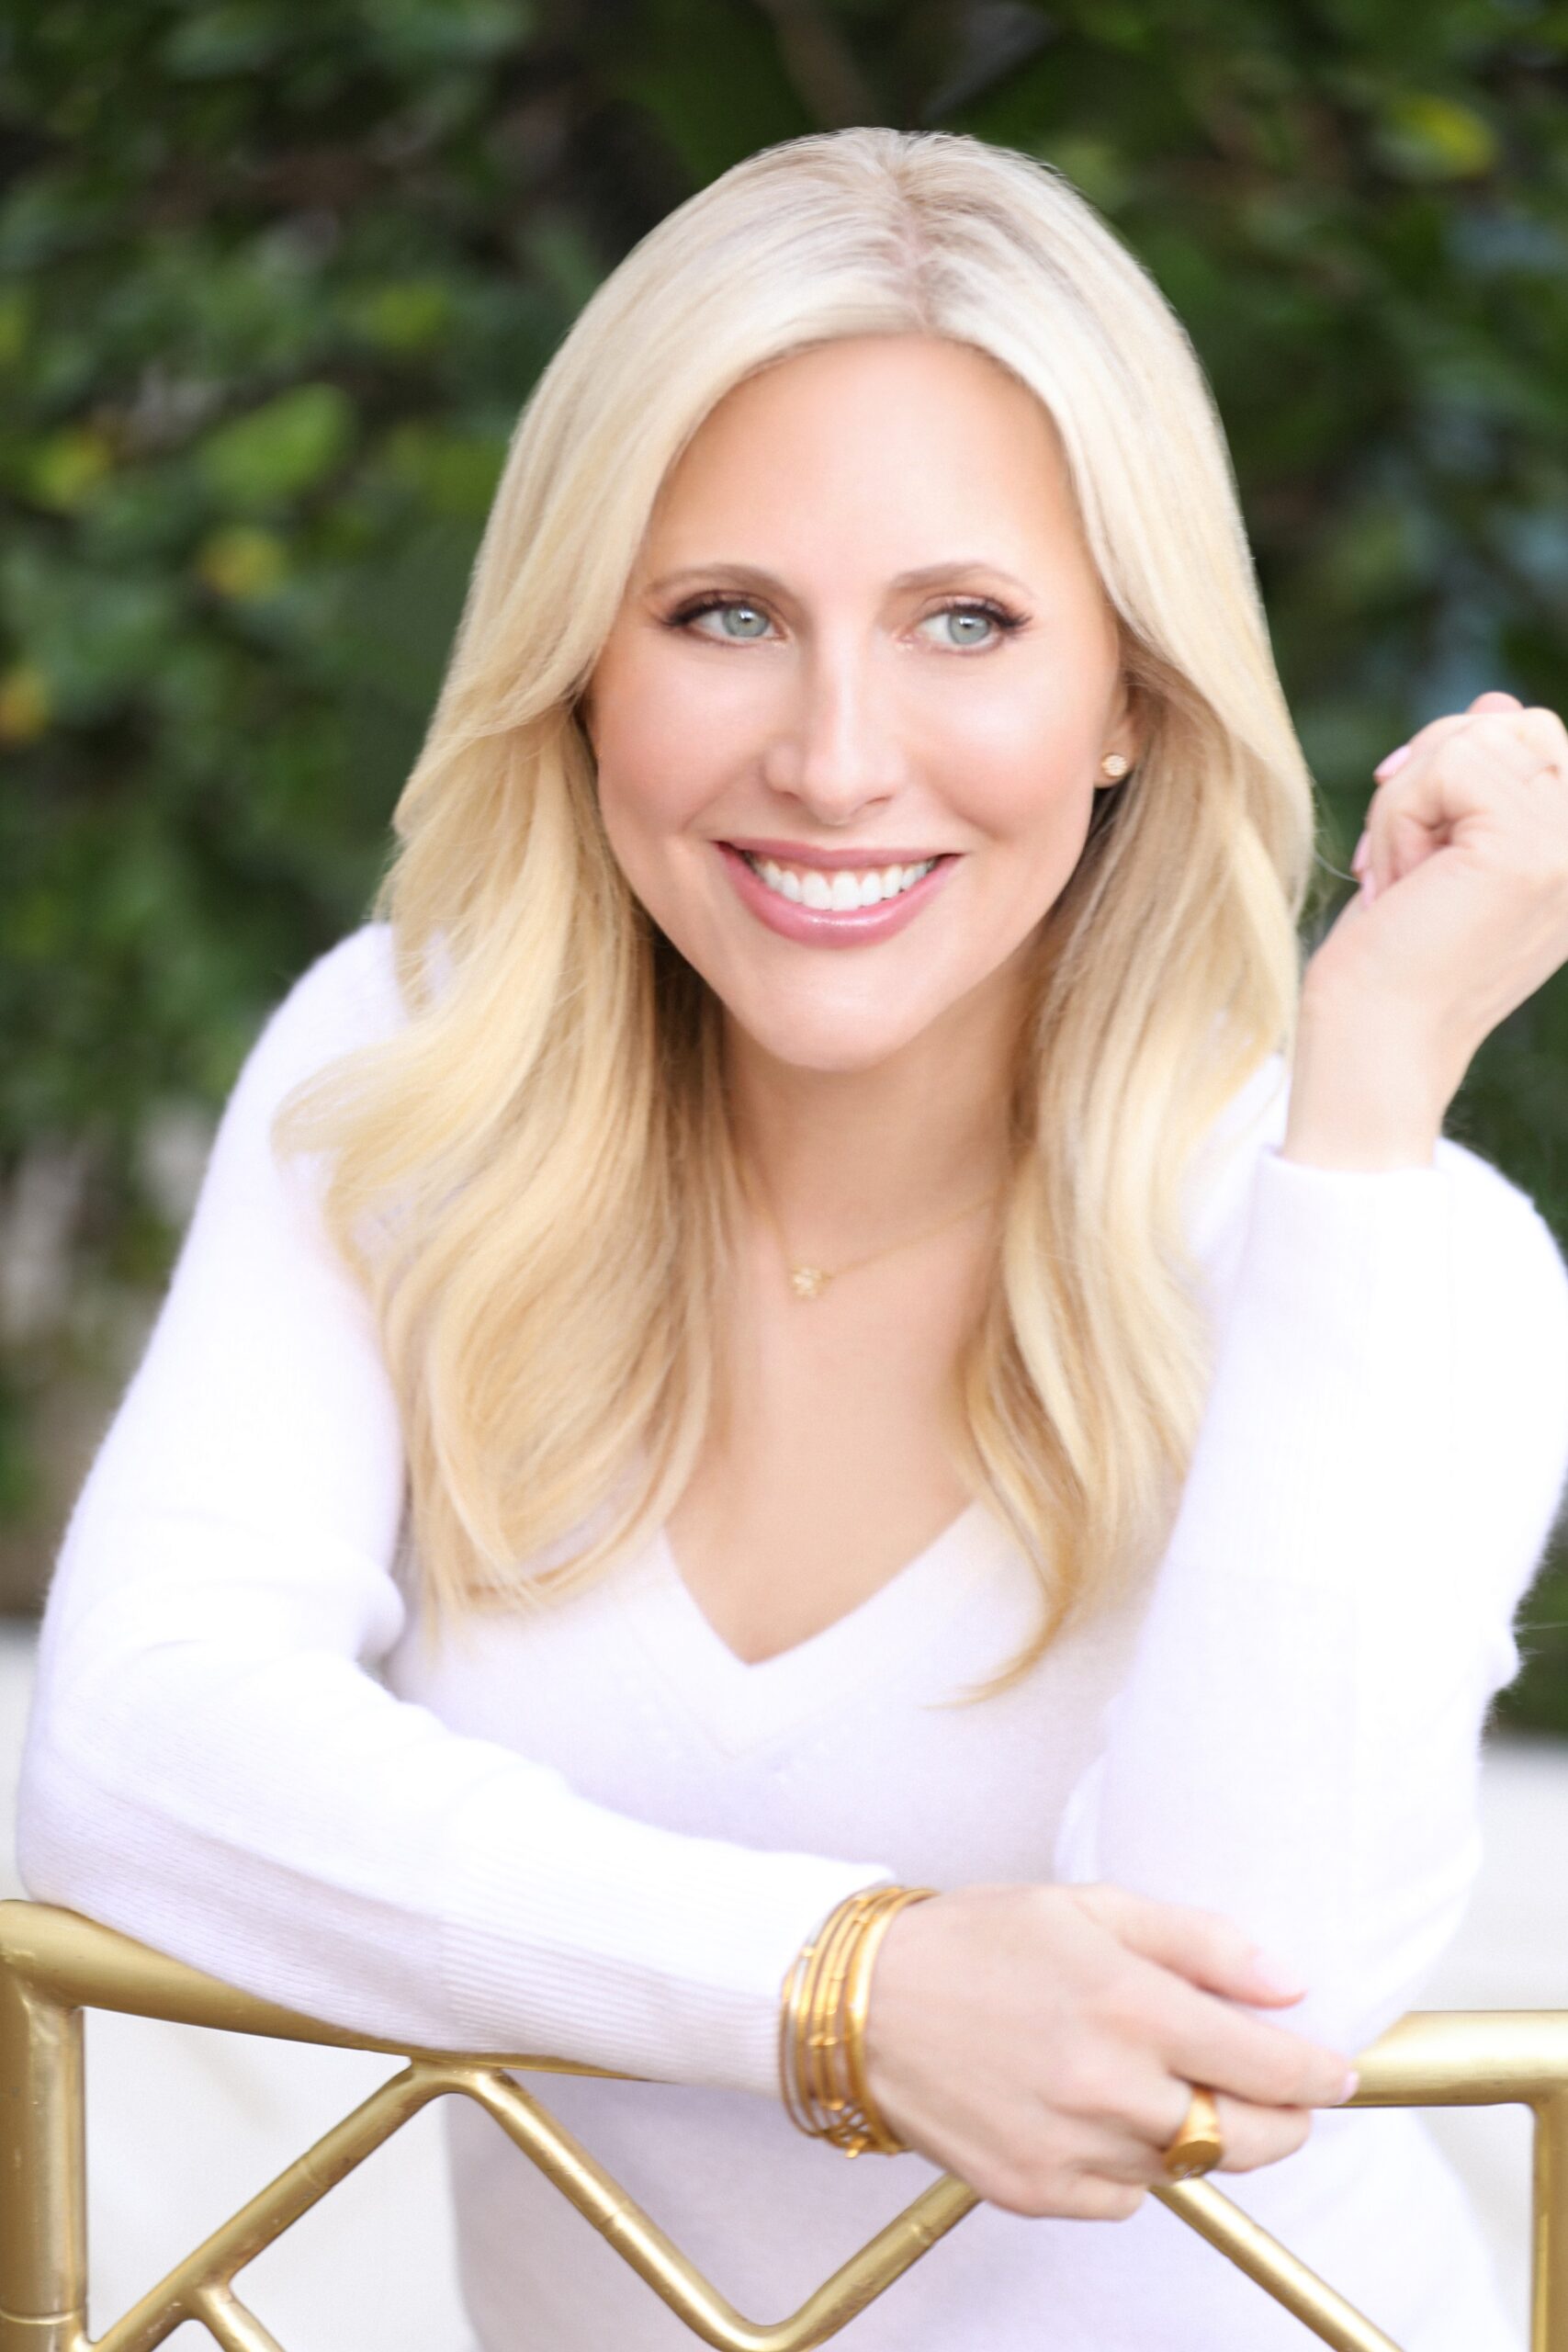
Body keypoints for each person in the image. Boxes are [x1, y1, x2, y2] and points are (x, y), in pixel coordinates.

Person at [16, 124, 1568, 2352]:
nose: (836, 759)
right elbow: (134, 1757)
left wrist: (1363, 1100)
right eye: (723, 615)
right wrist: (841, 1984)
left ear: (1129, 693)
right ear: (580, 656)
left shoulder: (1390, 1243)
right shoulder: (411, 1077)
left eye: (966, 622)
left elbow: (1236, 2022)